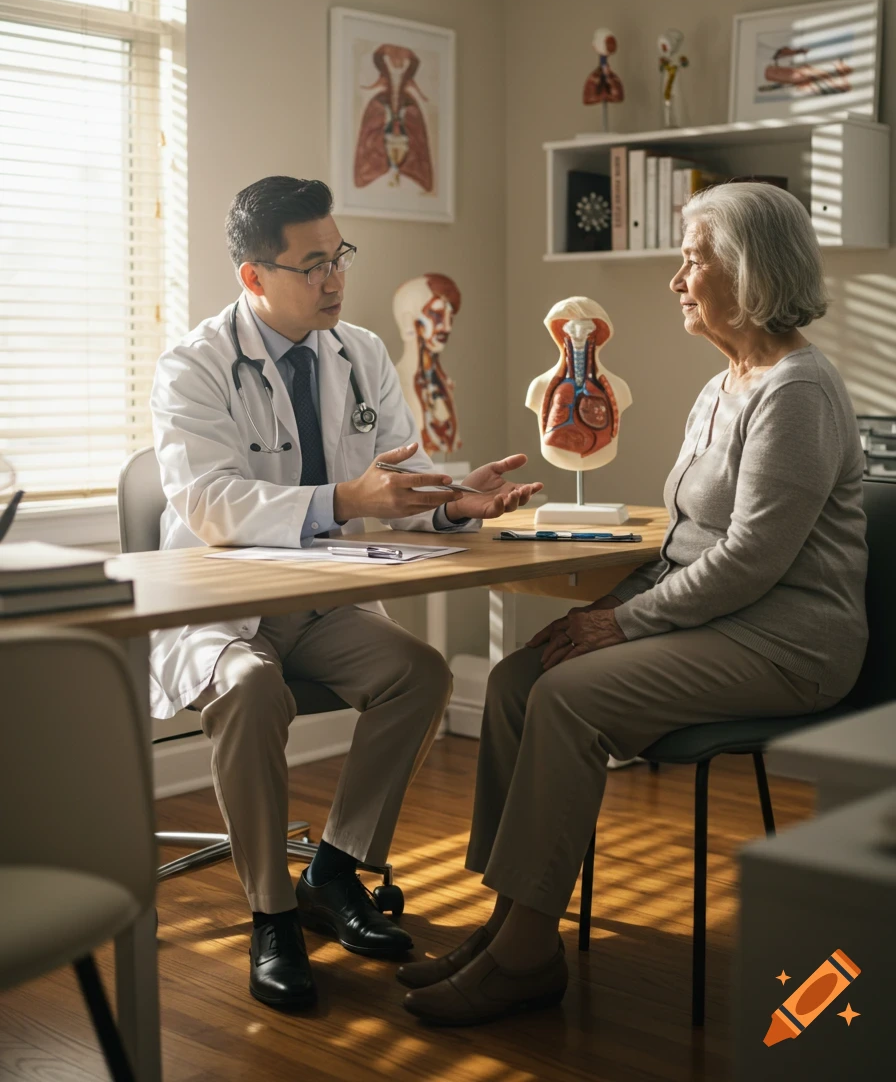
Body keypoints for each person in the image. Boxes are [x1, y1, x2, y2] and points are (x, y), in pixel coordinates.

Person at [398, 181, 868, 1026]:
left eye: (695, 259)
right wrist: (602, 612)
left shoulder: (796, 392)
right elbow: (689, 541)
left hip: (787, 643)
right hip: (719, 619)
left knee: (570, 698)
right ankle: (510, 916)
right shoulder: (722, 385)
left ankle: (528, 956)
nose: (677, 279)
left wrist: (616, 620)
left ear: (751, 270)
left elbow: (752, 561)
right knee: (518, 679)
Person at [150, 176, 542, 1011]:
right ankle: (272, 914)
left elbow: (394, 484)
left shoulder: (360, 352)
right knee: (253, 689)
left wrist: (452, 503)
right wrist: (344, 501)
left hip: (327, 599)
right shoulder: (193, 366)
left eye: (340, 258)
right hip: (223, 605)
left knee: (421, 672)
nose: (334, 279)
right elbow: (208, 504)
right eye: (312, 264)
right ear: (254, 277)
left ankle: (333, 870)